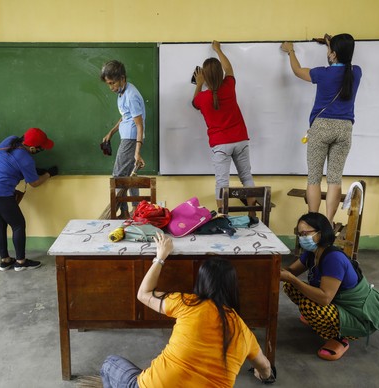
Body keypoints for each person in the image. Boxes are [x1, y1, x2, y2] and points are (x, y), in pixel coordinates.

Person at [100, 232, 275, 387]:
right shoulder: (244, 332)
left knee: (110, 363)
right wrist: (265, 377)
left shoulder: (188, 303)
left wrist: (160, 256)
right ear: (233, 287)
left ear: (201, 282)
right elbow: (265, 367)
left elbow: (143, 293)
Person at [280, 212, 379, 361]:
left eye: (305, 233)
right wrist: (273, 268)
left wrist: (293, 279)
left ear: (320, 233)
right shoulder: (312, 253)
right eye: (299, 234)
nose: (302, 238)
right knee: (290, 286)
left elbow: (325, 298)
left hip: (359, 315)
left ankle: (340, 337)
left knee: (309, 305)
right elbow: (292, 271)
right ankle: (327, 322)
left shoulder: (333, 258)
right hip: (338, 302)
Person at [280, 34, 362, 223]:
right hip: (345, 129)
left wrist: (290, 51)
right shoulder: (356, 72)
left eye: (329, 51)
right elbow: (344, 60)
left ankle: (313, 223)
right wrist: (330, 44)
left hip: (321, 127)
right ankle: (329, 222)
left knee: (314, 178)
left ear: (333, 54)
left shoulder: (323, 74)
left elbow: (298, 71)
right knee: (334, 179)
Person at [192, 41, 257, 221]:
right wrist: (218, 49)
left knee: (222, 182)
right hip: (241, 140)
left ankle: (222, 216)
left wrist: (198, 83)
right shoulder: (229, 86)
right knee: (246, 177)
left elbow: (194, 102)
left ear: (204, 76)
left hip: (220, 144)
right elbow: (229, 68)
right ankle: (252, 213)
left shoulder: (203, 99)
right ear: (220, 74)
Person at [0, 128, 58, 271]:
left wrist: (35, 169)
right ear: (33, 148)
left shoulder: (10, 140)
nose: (43, 150)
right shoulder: (26, 159)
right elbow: (35, 183)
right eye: (41, 148)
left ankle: (5, 261)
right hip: (0, 194)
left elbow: (10, 163)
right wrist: (48, 174)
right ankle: (21, 262)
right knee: (18, 225)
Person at [100, 60, 146, 219]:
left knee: (118, 176)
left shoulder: (131, 95)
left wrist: (137, 152)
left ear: (122, 78)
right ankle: (134, 210)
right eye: (108, 84)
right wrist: (111, 132)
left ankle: (126, 211)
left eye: (112, 83)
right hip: (126, 137)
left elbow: (139, 125)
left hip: (131, 139)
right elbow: (125, 117)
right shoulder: (122, 92)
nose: (111, 87)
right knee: (127, 177)